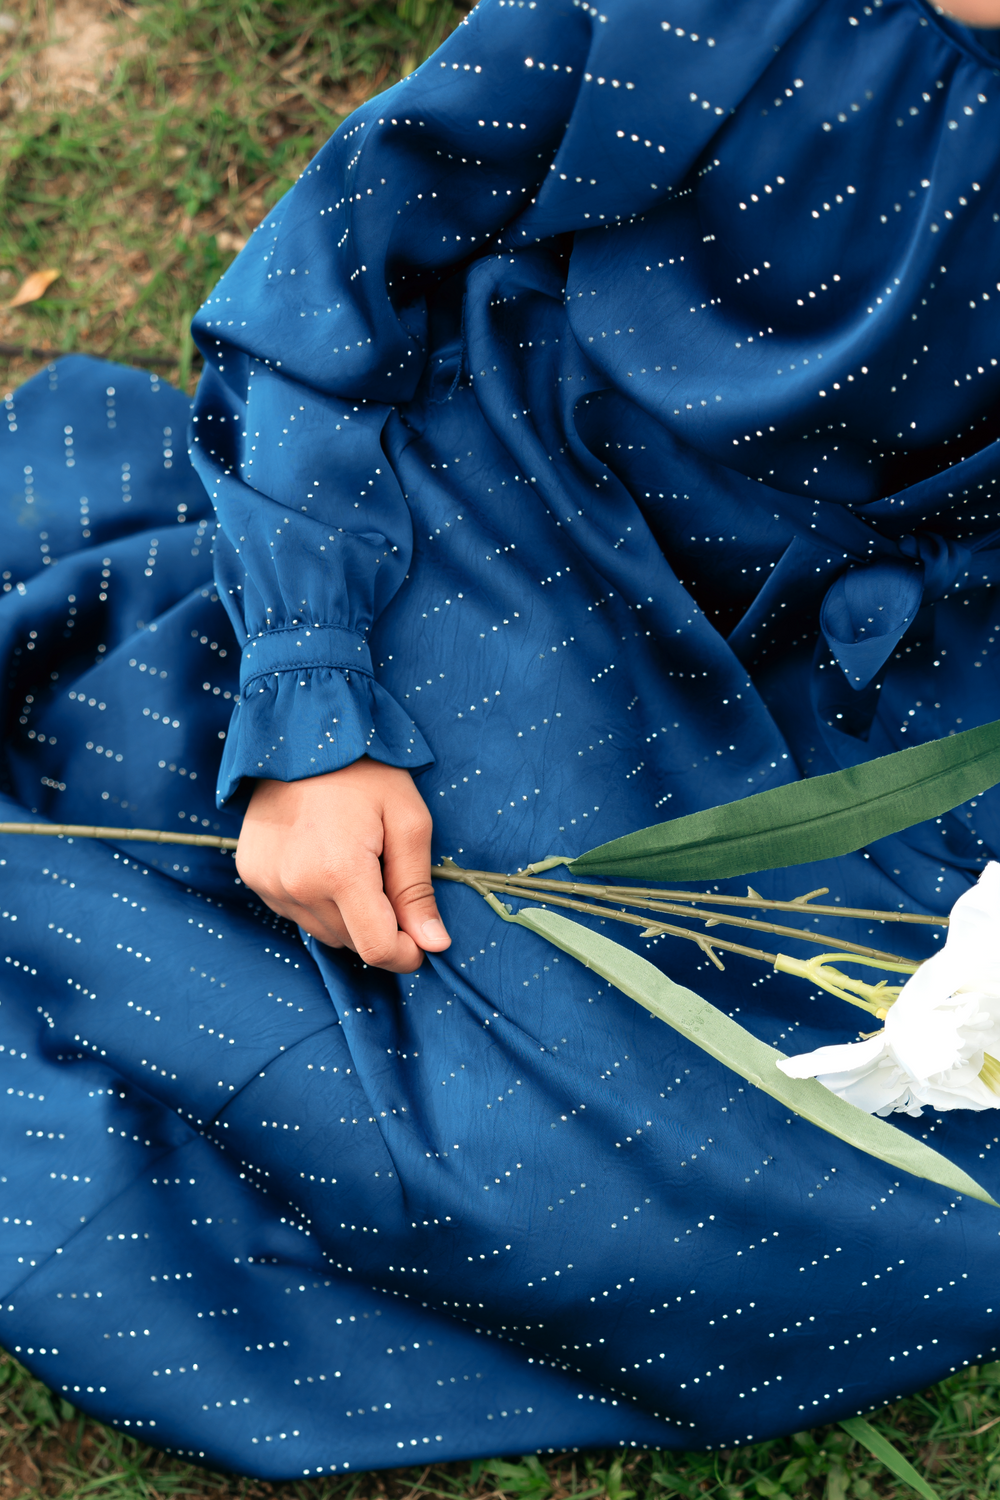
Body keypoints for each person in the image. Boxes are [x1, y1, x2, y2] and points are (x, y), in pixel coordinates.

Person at [1, 0, 999, 1479]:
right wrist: (314, 700)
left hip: (913, 687)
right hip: (541, 534)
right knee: (492, 1111)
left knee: (913, 1172)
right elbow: (335, 271)